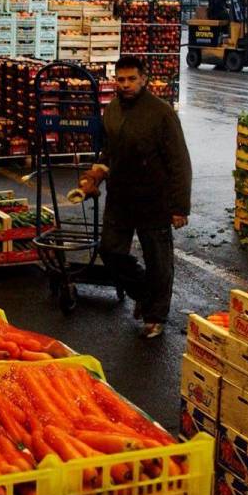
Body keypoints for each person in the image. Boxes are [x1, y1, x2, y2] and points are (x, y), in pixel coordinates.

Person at [75, 56, 192, 339]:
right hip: (120, 197)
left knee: (159, 260)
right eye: (120, 79)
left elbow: (179, 162)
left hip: (154, 198)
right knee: (110, 251)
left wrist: (179, 206)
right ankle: (143, 292)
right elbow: (109, 152)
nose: (125, 85)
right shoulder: (113, 110)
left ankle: (155, 316)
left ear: (144, 79)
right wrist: (96, 174)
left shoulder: (162, 114)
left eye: (131, 79)